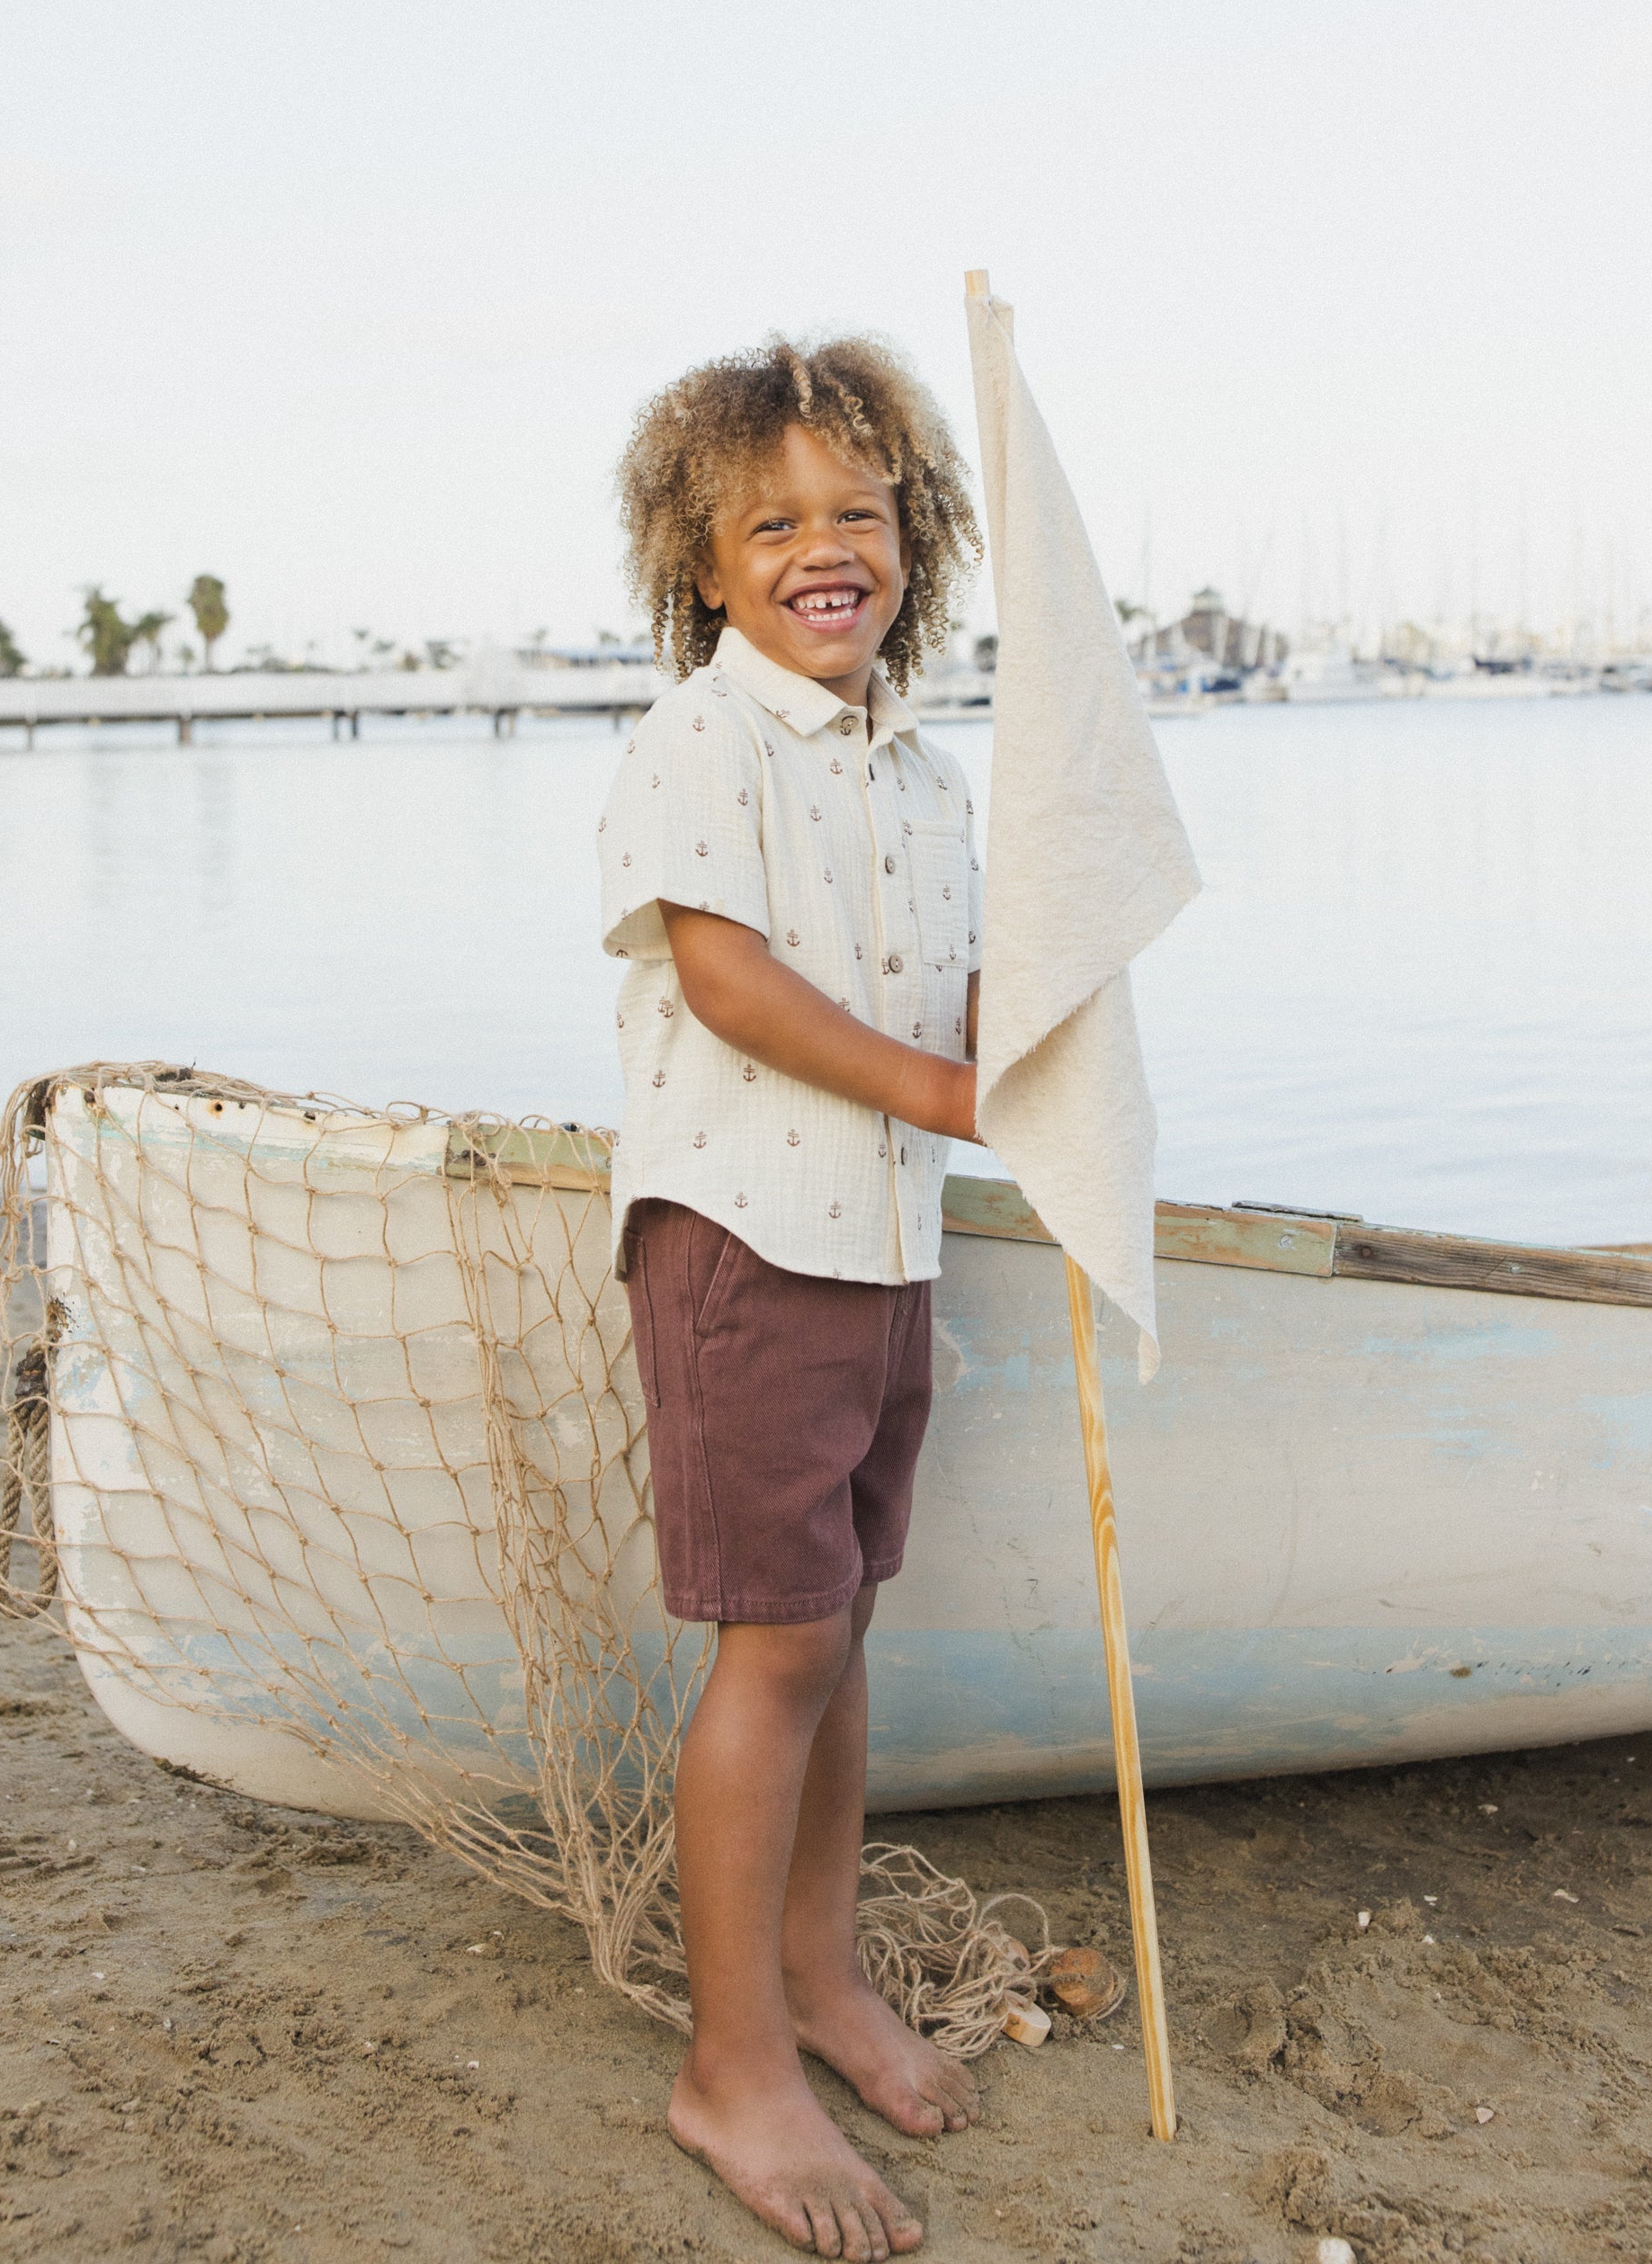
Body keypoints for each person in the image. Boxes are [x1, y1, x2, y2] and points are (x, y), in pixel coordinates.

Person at [599, 336, 986, 2262]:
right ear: (705, 559)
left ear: (915, 533)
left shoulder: (919, 768)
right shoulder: (700, 736)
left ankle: (821, 1974)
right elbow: (727, 977)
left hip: (886, 1243)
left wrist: (1043, 1059)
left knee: (836, 1629)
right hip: (747, 1241)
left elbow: (966, 998)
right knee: (771, 1647)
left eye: (860, 512)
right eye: (775, 522)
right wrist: (944, 1089)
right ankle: (730, 2057)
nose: (824, 547)